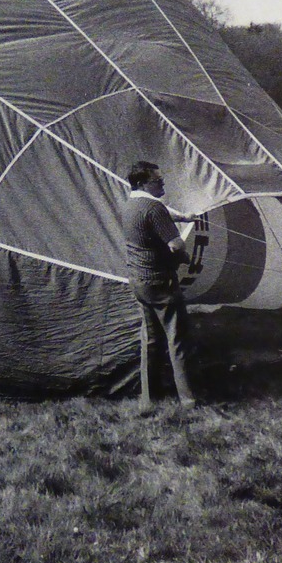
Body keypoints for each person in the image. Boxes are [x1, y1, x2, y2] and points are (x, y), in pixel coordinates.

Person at [121, 160, 196, 406]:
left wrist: (184, 217)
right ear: (144, 183)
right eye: (158, 180)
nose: (163, 182)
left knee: (151, 341)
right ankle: (188, 400)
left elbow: (159, 211)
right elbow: (176, 244)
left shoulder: (130, 205)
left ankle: (148, 399)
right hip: (160, 282)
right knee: (178, 339)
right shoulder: (154, 210)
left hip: (138, 282)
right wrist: (183, 256)